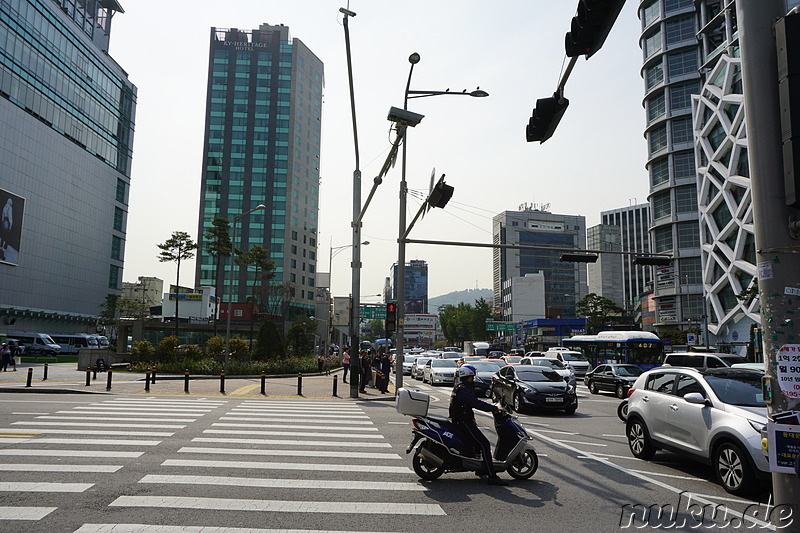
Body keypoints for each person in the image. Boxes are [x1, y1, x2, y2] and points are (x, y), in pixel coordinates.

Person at [450, 364, 509, 486]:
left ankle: (480, 468)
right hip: (463, 422)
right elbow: (476, 403)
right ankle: (492, 476)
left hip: (462, 420)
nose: (473, 380)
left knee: (476, 444)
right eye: (472, 377)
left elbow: (468, 406)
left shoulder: (460, 387)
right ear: (468, 377)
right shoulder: (464, 390)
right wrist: (494, 409)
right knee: (484, 444)